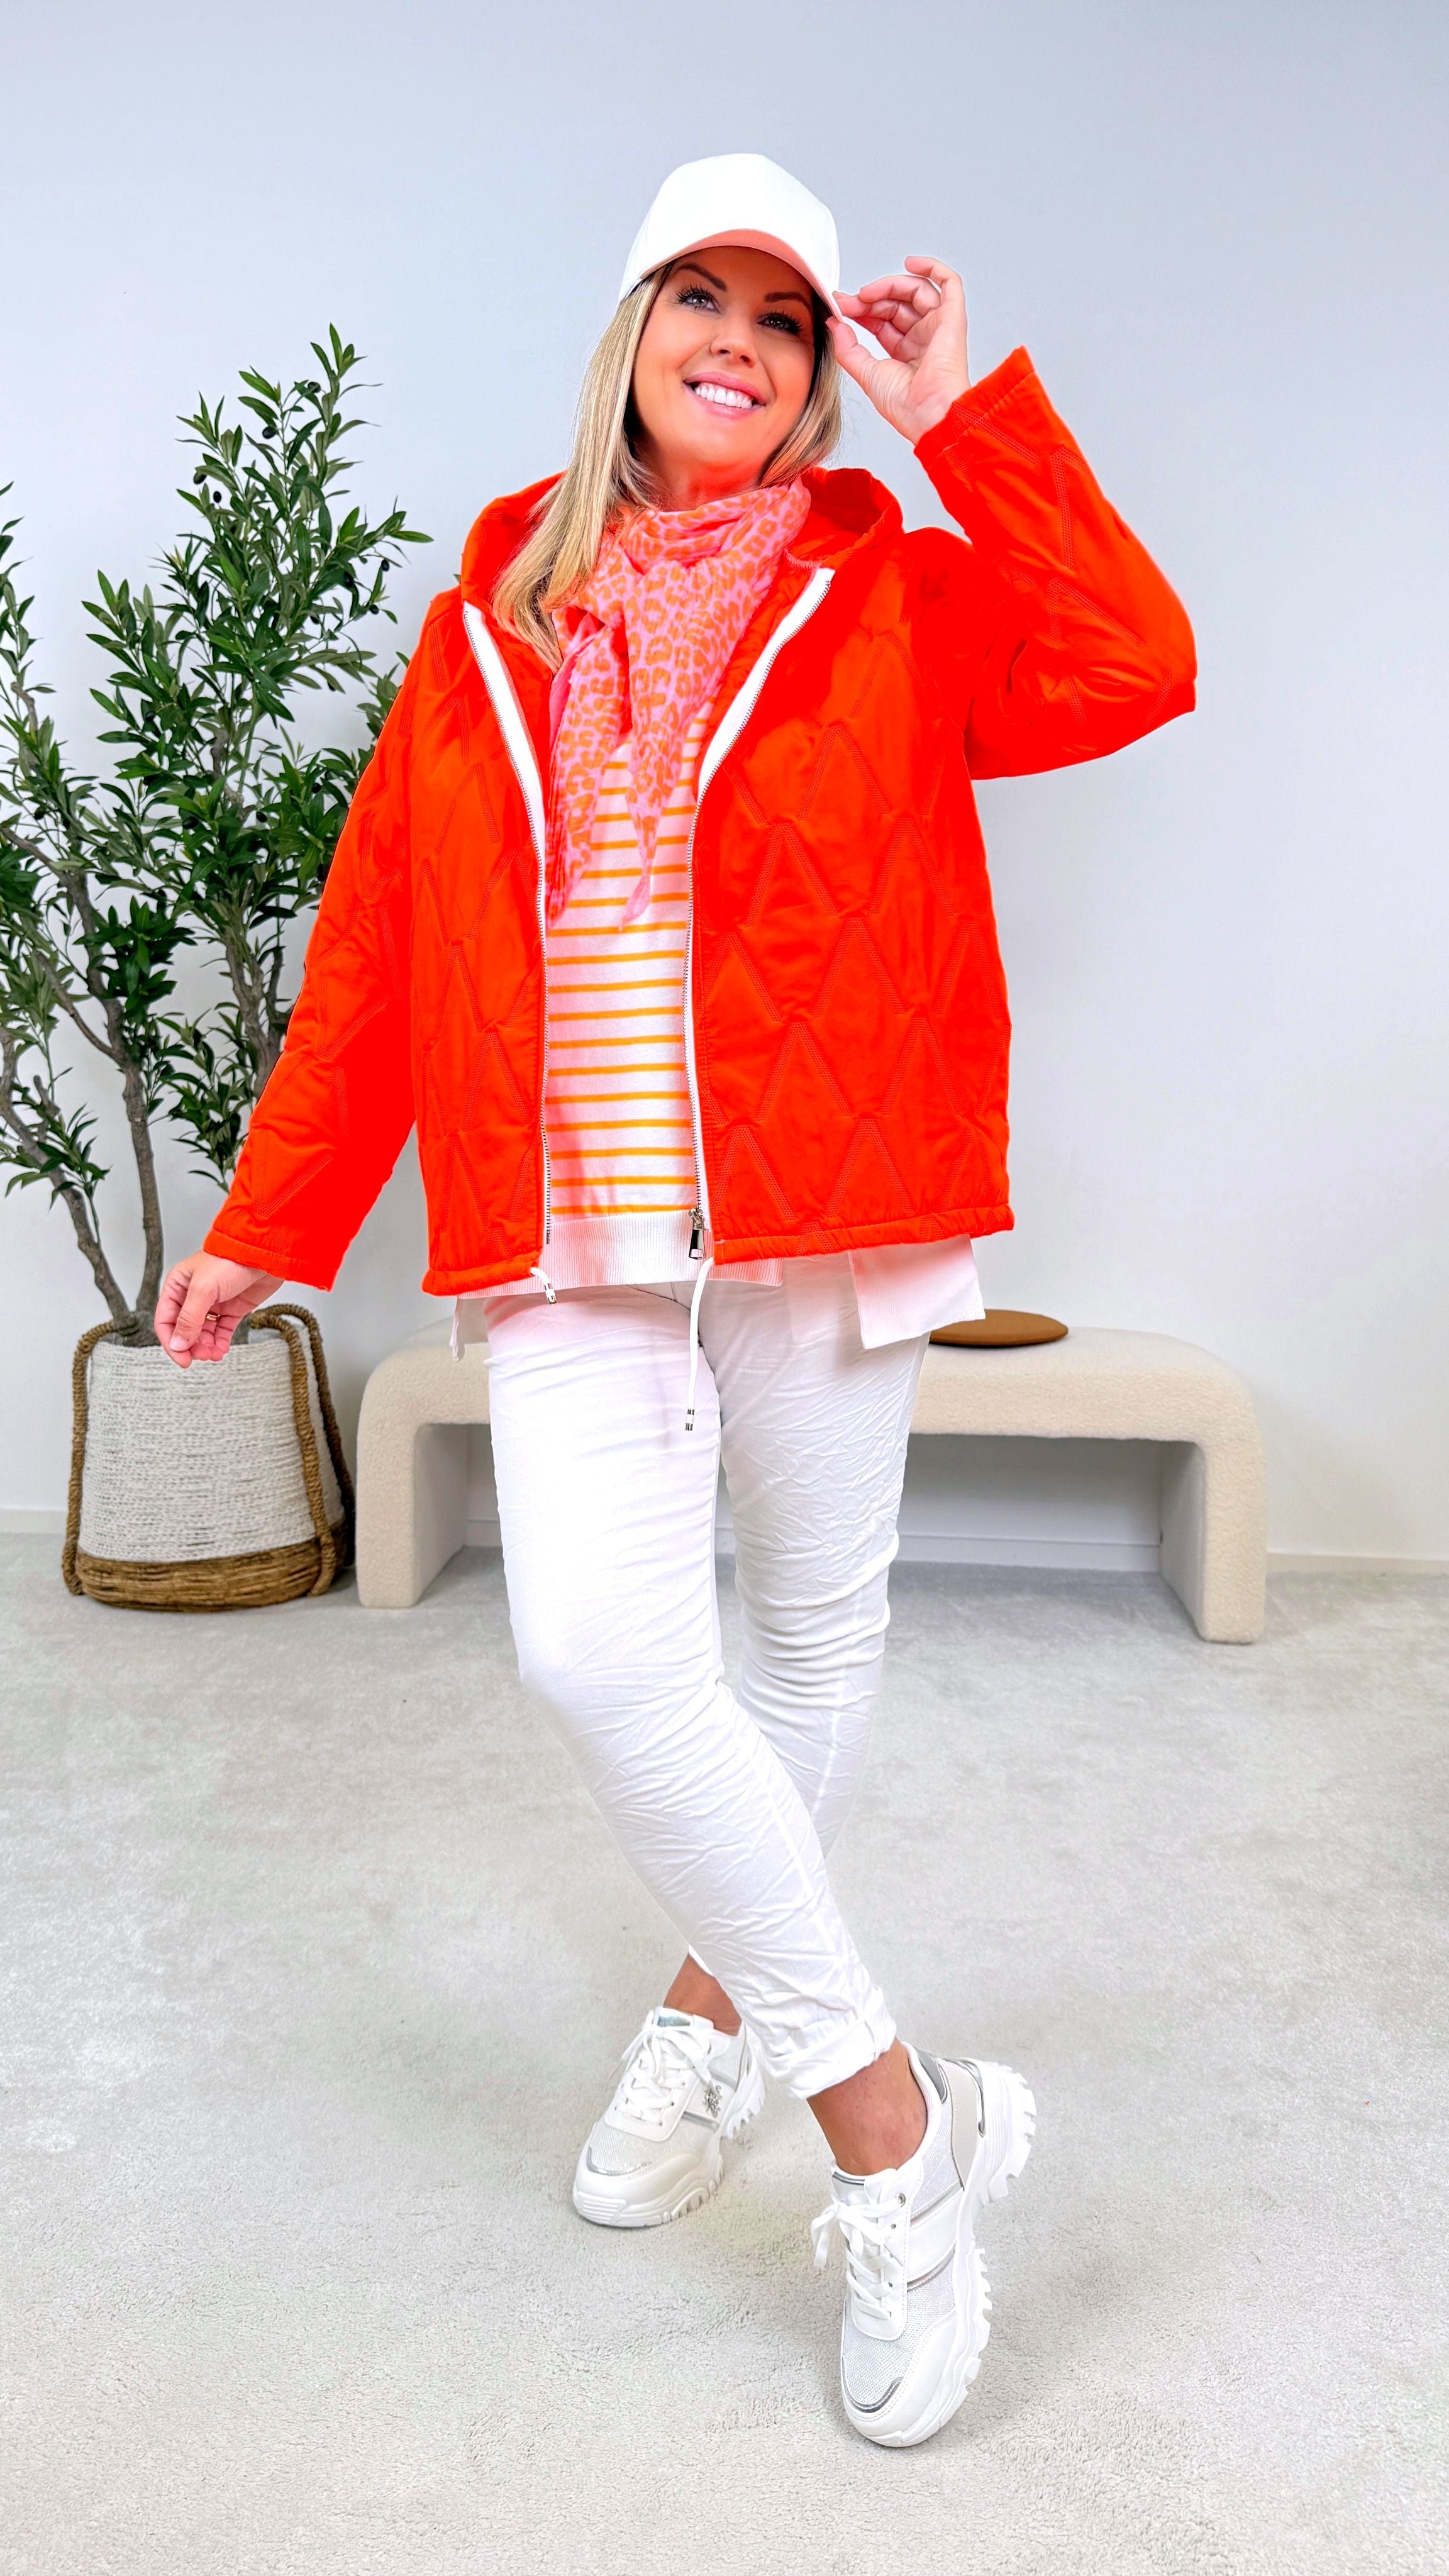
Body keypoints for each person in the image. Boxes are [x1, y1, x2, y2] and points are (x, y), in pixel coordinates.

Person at [155, 153, 1194, 2448]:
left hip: (825, 1204)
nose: (741, 340)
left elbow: (1138, 662)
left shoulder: (892, 587)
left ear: (818, 375)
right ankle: (900, 2133)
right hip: (570, 1222)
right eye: (700, 297)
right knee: (601, 1652)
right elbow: (378, 951)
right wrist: (269, 1221)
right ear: (630, 331)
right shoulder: (488, 619)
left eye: (785, 316)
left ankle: (716, 2015)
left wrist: (962, 416)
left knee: (808, 1643)